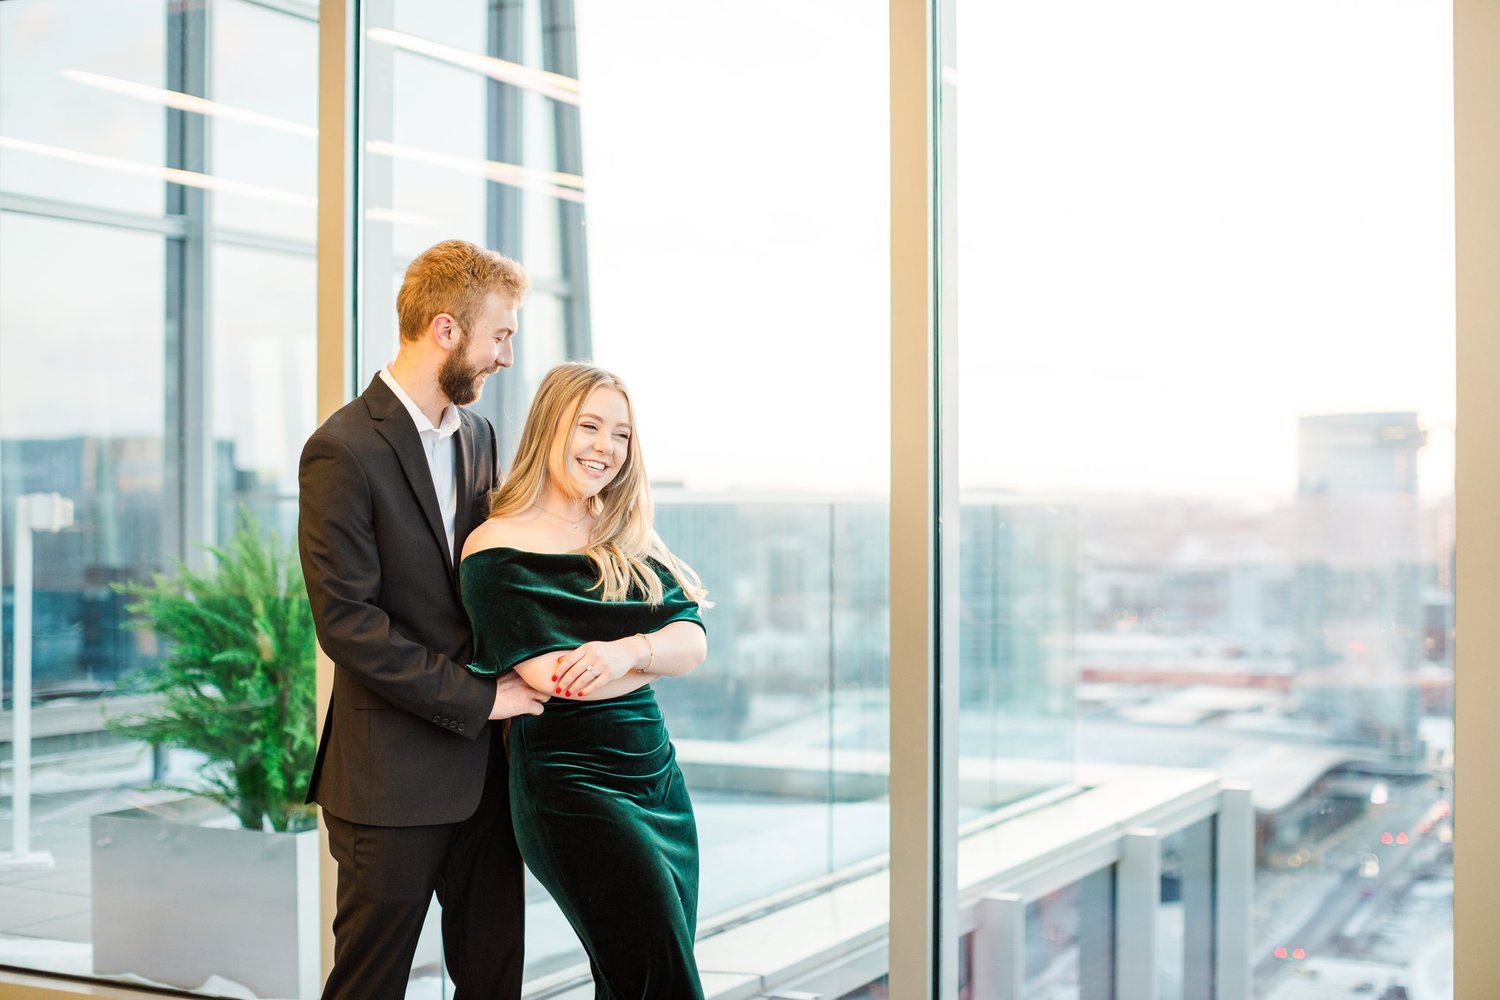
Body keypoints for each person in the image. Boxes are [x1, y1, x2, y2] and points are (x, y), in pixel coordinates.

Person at [298, 239, 549, 1000]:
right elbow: (347, 624)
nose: (506, 355)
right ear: (445, 330)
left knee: (494, 979)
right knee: (369, 988)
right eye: (499, 335)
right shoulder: (341, 449)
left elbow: (487, 582)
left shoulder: (480, 438)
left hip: (485, 780)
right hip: (389, 784)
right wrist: (481, 697)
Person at [460, 362, 711, 1000]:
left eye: (621, 434)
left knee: (638, 978)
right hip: (573, 790)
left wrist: (626, 652)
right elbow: (560, 682)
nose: (605, 447)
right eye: (589, 426)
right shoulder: (496, 548)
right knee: (661, 982)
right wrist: (651, 655)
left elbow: (695, 642)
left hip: (658, 781)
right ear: (550, 427)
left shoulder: (624, 532)